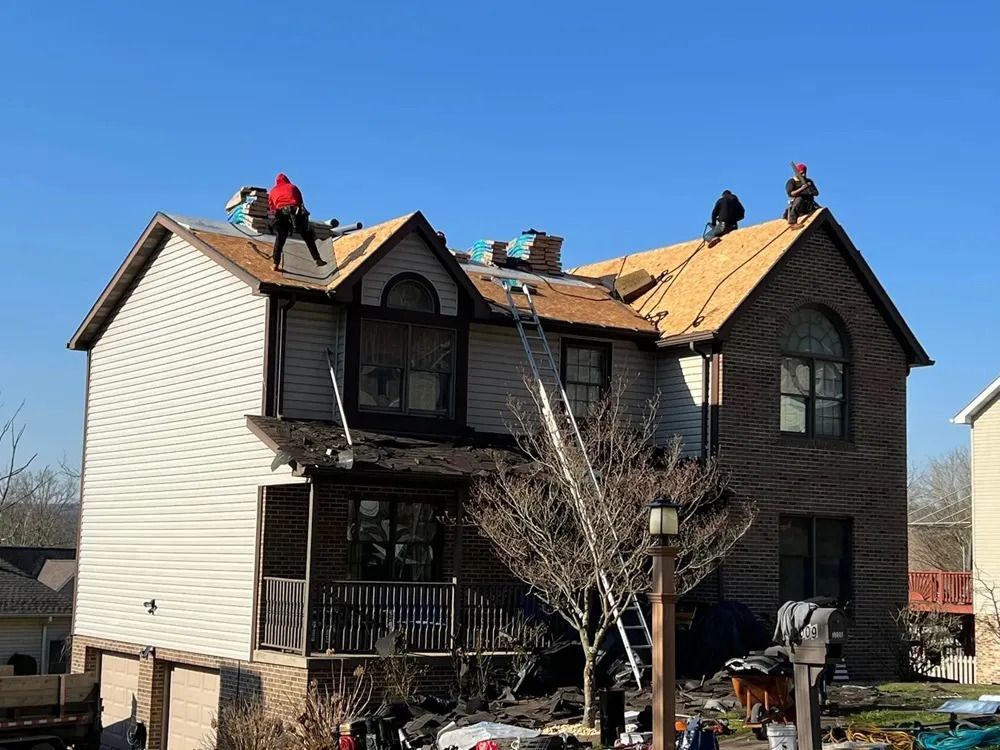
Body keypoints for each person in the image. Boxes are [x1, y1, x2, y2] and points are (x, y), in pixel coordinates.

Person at [267, 173, 326, 271]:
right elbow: (300, 202)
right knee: (307, 236)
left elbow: (272, 207)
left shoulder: (273, 191)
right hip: (295, 212)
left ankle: (275, 264)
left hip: (281, 214)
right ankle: (317, 259)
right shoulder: (293, 187)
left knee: (280, 239)